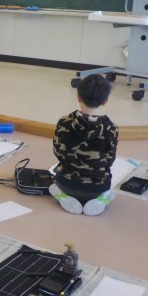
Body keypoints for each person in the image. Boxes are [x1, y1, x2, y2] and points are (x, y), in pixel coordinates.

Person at [51, 74, 119, 216]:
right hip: (98, 188)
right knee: (110, 191)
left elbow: (57, 151)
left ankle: (62, 196)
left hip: (67, 184)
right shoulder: (111, 128)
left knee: (53, 185)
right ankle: (101, 199)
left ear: (78, 96)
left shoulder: (64, 122)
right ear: (105, 101)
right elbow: (110, 160)